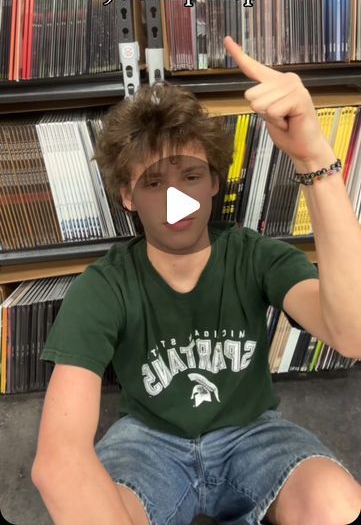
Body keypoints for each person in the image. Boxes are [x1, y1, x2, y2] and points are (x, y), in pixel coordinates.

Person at [31, 37, 361, 525]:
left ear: (214, 182)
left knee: (338, 503)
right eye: (153, 183)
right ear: (127, 197)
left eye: (189, 175)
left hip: (253, 434)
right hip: (147, 444)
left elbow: (352, 334)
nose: (175, 200)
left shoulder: (254, 256)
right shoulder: (104, 286)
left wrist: (314, 157)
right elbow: (58, 464)